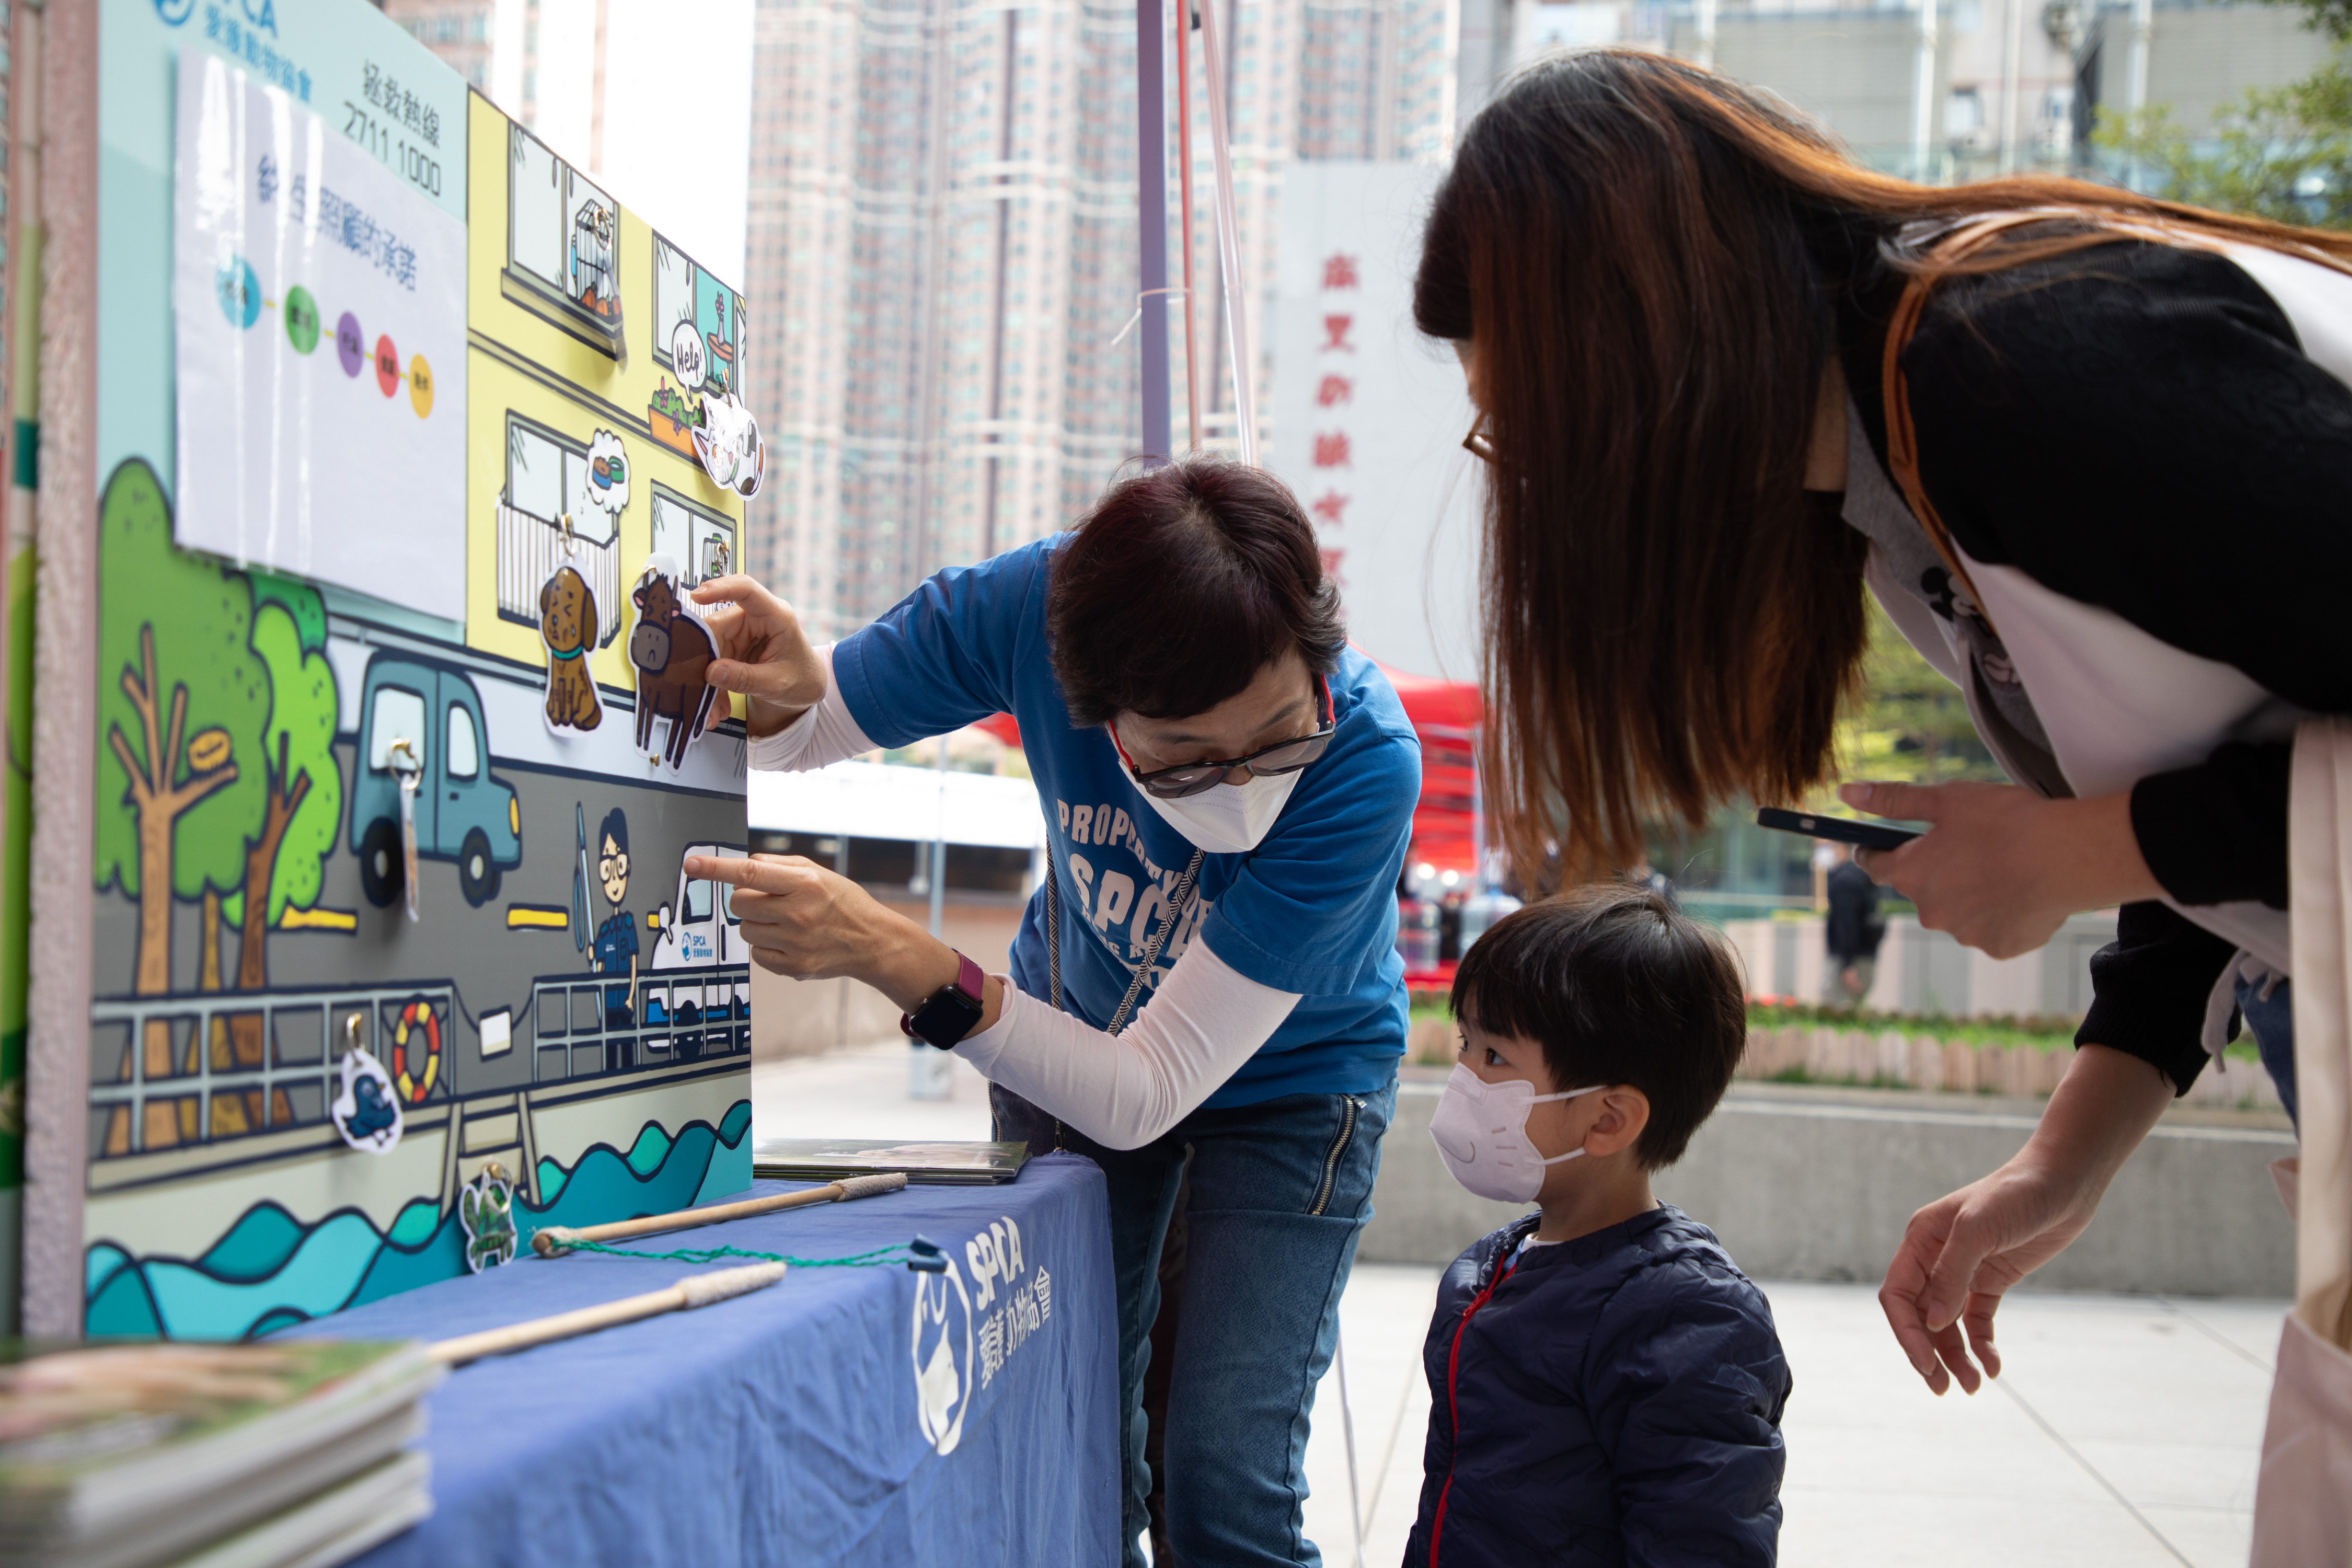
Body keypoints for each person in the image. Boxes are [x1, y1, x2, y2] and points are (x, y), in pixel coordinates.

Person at [1411, 49, 2352, 1398]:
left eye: (1534, 434)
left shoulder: (2023, 364)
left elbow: (2162, 818)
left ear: (1647, 340)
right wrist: (2057, 1161)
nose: (1545, 498)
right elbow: (2213, 788)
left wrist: (2072, 855)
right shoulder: (1894, 475)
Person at [684, 456, 1421, 1568]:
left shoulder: (1367, 764)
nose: (1241, 782)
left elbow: (1146, 1092)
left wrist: (893, 953)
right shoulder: (1032, 609)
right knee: (1067, 1428)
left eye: (1276, 736)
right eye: (1182, 757)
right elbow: (796, 732)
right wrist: (785, 685)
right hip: (1072, 1032)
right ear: (1089, 703)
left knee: (1223, 1477)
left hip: (1294, 1089)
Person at [1410, 886, 1789, 1565]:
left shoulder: (1684, 1318)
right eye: (1467, 1043)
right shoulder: (1490, 1270)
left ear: (1608, 1120)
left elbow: (1702, 1543)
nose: (1463, 1077)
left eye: (1495, 1058)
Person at [591, 807, 639, 1067]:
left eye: (619, 866)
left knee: (628, 1050)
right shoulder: (604, 931)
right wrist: (593, 963)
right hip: (609, 1003)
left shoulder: (629, 924)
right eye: (607, 868)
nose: (614, 878)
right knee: (610, 1053)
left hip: (624, 1002)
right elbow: (598, 968)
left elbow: (633, 964)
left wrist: (631, 996)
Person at [1823, 841, 1884, 1008]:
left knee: (1834, 1011)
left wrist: (1848, 965)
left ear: (1842, 849)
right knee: (1853, 1011)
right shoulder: (1863, 878)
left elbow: (1847, 925)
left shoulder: (1845, 882)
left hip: (1849, 963)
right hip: (1865, 957)